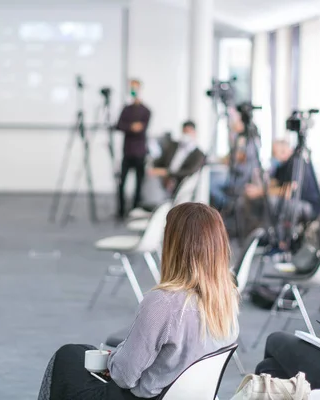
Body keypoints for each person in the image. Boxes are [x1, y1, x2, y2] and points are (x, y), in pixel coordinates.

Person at [37, 203, 239, 400]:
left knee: (67, 357)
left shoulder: (163, 303)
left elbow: (124, 377)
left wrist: (116, 359)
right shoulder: (227, 298)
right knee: (80, 351)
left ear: (174, 246)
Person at [141, 121, 206, 207]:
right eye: (184, 132)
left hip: (179, 182)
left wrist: (168, 174)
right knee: (149, 174)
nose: (186, 135)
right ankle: (151, 206)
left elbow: (190, 171)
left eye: (189, 132)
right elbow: (160, 161)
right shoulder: (173, 145)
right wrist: (157, 171)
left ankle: (159, 206)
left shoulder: (198, 154)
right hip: (164, 179)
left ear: (194, 133)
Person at [116, 79, 151, 219]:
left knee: (139, 183)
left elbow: (141, 129)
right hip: (127, 152)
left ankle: (135, 209)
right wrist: (131, 127)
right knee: (121, 182)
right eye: (131, 88)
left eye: (135, 88)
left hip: (140, 152)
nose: (133, 90)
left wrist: (130, 127)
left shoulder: (146, 110)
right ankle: (121, 210)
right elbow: (118, 125)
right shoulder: (126, 109)